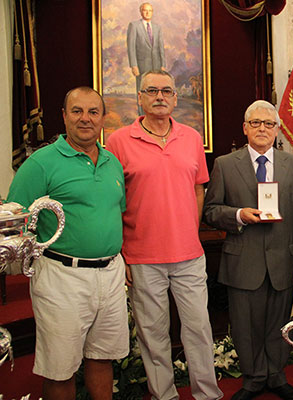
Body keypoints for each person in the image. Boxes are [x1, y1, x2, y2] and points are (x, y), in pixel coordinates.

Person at [106, 70, 223, 400]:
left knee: (199, 329)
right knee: (153, 335)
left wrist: (190, 229)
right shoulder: (118, 142)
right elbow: (113, 201)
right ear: (139, 97)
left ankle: (207, 395)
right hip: (142, 257)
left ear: (175, 98)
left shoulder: (191, 138)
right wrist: (121, 254)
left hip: (189, 254)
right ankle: (164, 396)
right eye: (152, 90)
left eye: (166, 91)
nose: (160, 96)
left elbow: (199, 190)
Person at [7, 87, 128, 400]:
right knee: (60, 369)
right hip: (62, 277)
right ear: (64, 116)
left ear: (103, 118)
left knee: (103, 357)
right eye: (77, 111)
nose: (85, 119)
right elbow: (14, 221)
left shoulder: (112, 163)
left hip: (111, 275)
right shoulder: (40, 164)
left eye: (93, 112)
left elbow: (115, 214)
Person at [203, 100, 293, 400]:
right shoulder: (225, 164)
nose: (262, 129)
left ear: (277, 129)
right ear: (245, 128)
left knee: (279, 324)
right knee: (245, 326)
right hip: (243, 260)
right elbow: (211, 211)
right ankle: (253, 378)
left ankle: (277, 375)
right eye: (256, 123)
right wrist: (238, 214)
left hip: (285, 259)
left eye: (268, 124)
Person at [127, 2, 166, 114]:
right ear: (141, 12)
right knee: (142, 90)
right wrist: (134, 65)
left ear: (152, 12)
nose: (147, 12)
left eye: (150, 10)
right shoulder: (134, 26)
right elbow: (131, 47)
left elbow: (161, 48)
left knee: (156, 89)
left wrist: (163, 64)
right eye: (145, 10)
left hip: (157, 66)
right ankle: (142, 115)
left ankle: (154, 113)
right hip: (141, 66)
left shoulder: (157, 28)